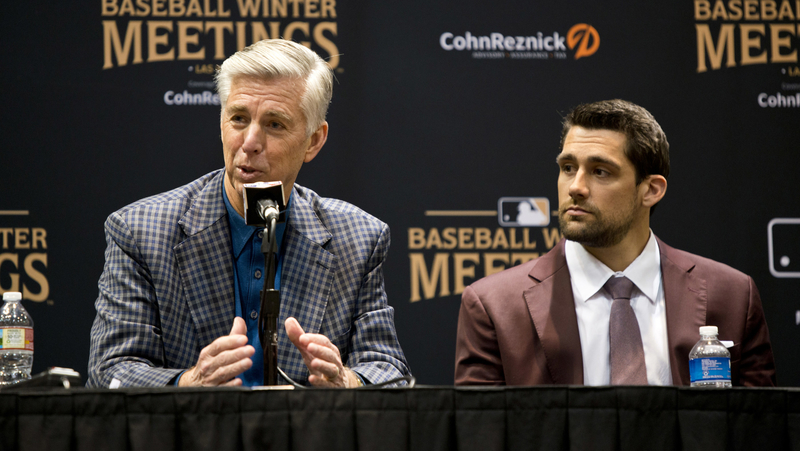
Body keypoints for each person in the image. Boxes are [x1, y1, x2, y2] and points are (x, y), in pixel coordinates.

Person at [88, 39, 410, 388]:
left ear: (314, 141)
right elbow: (111, 371)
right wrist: (187, 384)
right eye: (239, 118)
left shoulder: (359, 238)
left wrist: (347, 381)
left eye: (274, 124)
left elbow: (390, 372)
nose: (250, 141)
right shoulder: (140, 232)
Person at [454, 99, 776, 386]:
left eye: (600, 172)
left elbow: (759, 431)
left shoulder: (733, 297)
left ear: (651, 190)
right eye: (568, 168)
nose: (575, 187)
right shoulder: (494, 307)